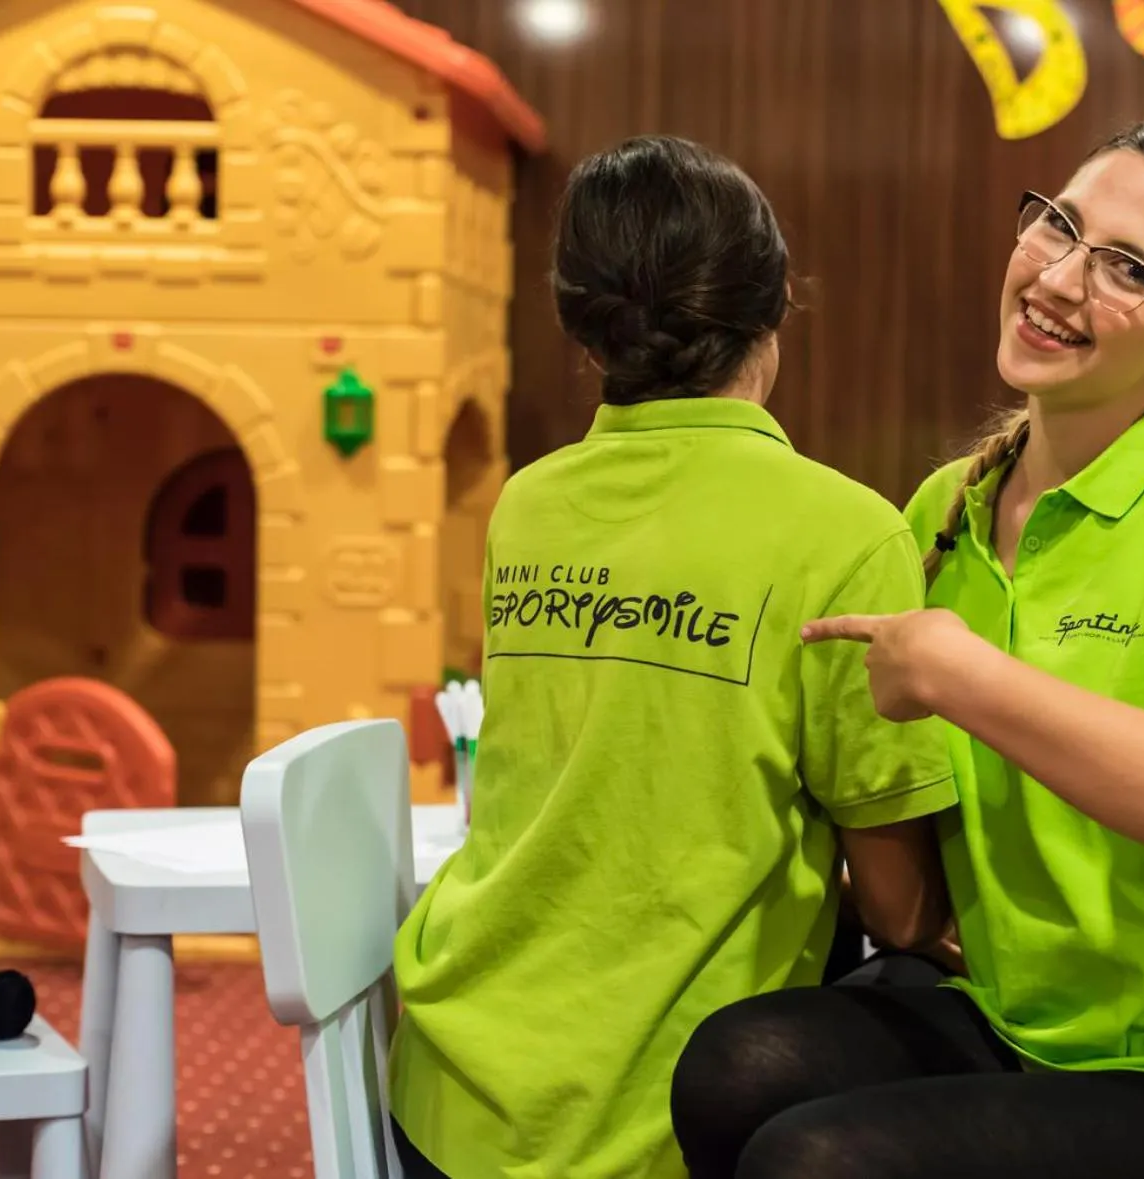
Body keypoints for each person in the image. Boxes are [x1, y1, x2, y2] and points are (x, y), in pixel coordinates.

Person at [669, 111, 1144, 1178]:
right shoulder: (942, 509)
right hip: (1007, 1019)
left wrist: (963, 675)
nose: (1057, 278)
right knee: (732, 1069)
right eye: (1057, 226)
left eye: (1126, 269)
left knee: (819, 1164)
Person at [388, 135, 958, 1179]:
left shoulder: (528, 503)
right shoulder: (846, 533)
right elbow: (899, 909)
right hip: (673, 1117)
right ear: (774, 303)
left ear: (581, 323)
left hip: (446, 1094)